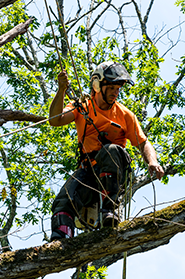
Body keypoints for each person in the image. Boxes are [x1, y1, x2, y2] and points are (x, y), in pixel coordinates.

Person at [49, 61, 164, 240]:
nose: (115, 92)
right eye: (111, 87)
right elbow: (55, 120)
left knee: (109, 150)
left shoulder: (125, 115)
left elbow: (143, 143)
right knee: (64, 200)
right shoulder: (82, 106)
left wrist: (152, 161)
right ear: (97, 85)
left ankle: (109, 210)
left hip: (113, 174)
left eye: (118, 88)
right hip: (89, 172)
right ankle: (61, 240)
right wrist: (61, 90)